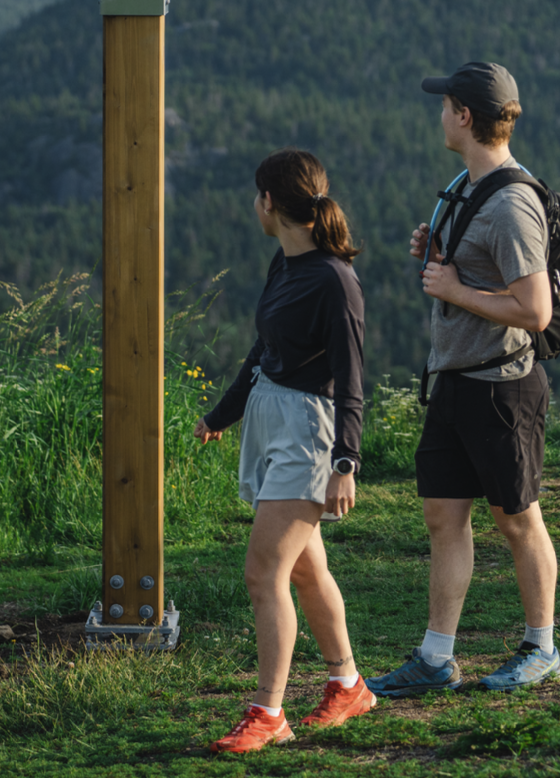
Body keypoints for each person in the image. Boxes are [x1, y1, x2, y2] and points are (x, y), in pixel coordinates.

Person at [366, 61, 560, 697]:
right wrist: (441, 253)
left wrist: (455, 286)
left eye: (445, 105)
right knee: (443, 517)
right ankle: (436, 658)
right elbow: (480, 276)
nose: (439, 114)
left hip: (502, 387)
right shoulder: (466, 185)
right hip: (455, 381)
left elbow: (535, 311)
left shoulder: (510, 203)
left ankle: (542, 649)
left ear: (464, 116)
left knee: (517, 518)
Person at [194, 148, 376, 753]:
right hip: (272, 417)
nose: (254, 205)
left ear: (269, 202)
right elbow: (261, 350)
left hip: (307, 431)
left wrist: (345, 462)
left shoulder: (333, 279)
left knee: (263, 572)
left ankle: (268, 713)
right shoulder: (286, 264)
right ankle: (348, 684)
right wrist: (223, 414)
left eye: (256, 196)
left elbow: (352, 377)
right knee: (304, 567)